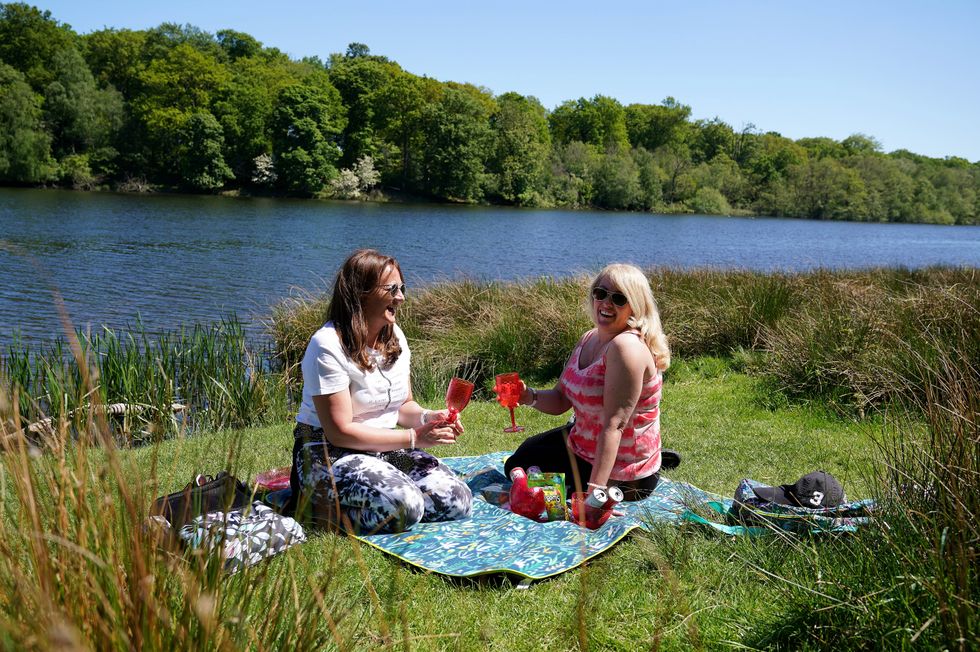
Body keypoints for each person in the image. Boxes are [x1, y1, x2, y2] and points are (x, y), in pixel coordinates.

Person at [289, 249, 472, 534]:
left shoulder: (395, 336)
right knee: (405, 506)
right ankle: (316, 507)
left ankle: (378, 498)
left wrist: (430, 418)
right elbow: (339, 432)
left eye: (402, 288)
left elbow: (403, 406)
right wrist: (414, 438)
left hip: (383, 448)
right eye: (392, 289)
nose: (401, 297)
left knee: (457, 500)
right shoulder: (327, 345)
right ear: (360, 294)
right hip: (328, 453)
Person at [503, 263, 676, 503]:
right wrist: (528, 396)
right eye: (600, 293)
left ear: (636, 306)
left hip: (623, 471)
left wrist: (595, 493)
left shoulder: (627, 348)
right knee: (520, 459)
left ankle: (649, 467)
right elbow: (561, 399)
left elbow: (614, 425)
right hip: (584, 445)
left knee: (537, 482)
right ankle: (659, 457)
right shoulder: (590, 338)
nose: (606, 303)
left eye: (619, 298)